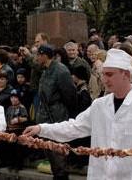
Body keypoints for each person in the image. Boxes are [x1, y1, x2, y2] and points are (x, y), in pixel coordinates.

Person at [24, 49, 132, 179]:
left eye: (109, 74)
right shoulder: (99, 105)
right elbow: (74, 127)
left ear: (125, 74)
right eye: (103, 74)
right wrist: (42, 129)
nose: (104, 79)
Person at [35, 44, 77, 179]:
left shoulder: (61, 71)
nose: (36, 58)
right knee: (49, 154)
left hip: (57, 115)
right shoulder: (45, 70)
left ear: (44, 56)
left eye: (38, 55)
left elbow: (70, 95)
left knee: (58, 155)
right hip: (45, 116)